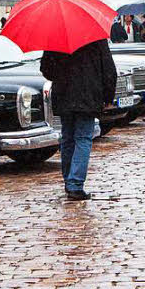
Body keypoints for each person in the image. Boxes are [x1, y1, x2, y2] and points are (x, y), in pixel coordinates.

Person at [40, 38, 117, 201]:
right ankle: (75, 184)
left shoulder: (56, 37)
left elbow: (46, 70)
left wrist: (62, 70)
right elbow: (109, 69)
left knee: (68, 138)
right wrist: (109, 95)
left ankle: (69, 182)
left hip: (64, 95)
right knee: (82, 138)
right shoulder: (96, 37)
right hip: (88, 95)